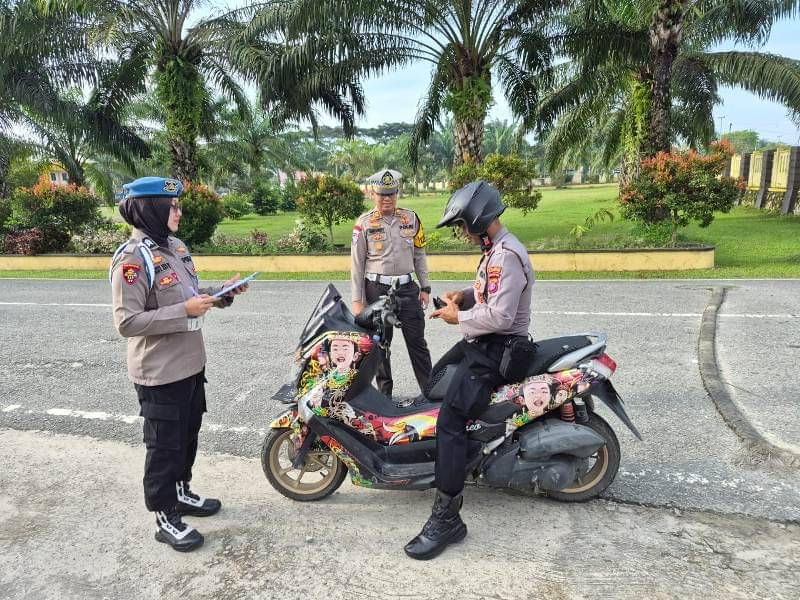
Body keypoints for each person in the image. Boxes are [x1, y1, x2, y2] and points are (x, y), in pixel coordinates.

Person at [110, 176, 249, 552]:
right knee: (164, 446)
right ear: (150, 208)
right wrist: (183, 311)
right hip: (160, 372)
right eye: (171, 206)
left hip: (190, 364)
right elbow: (127, 322)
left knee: (187, 436)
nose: (179, 211)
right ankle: (165, 516)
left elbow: (189, 296)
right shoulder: (132, 260)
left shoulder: (175, 247)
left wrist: (220, 294)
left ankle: (182, 492)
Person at [404, 180, 535, 560]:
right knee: (434, 384)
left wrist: (457, 316)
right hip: (482, 342)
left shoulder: (507, 255)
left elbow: (501, 315)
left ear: (478, 220)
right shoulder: (495, 251)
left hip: (497, 350)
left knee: (449, 419)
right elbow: (489, 294)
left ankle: (447, 517)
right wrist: (464, 295)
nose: (461, 233)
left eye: (462, 225)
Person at [350, 169, 432, 399]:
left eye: (391, 194)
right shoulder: (364, 223)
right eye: (382, 194)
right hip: (376, 290)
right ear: (373, 194)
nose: (387, 199)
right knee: (380, 345)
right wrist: (358, 301)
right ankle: (384, 396)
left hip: (407, 289)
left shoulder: (411, 218)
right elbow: (356, 264)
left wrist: (425, 287)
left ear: (398, 193)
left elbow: (419, 254)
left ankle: (430, 393)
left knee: (417, 342)